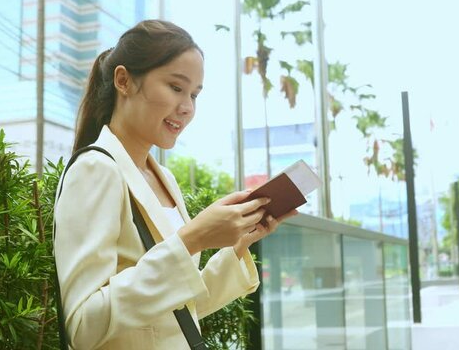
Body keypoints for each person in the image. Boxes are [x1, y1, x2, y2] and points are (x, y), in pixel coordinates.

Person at [54, 19, 297, 350]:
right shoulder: (96, 170)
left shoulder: (163, 178)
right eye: (176, 87)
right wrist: (193, 239)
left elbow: (176, 309)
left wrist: (239, 244)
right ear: (123, 80)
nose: (186, 108)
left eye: (195, 94)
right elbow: (83, 326)